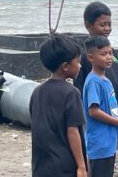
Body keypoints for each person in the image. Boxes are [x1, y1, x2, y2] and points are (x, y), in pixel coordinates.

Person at [30, 34, 87, 177]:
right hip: (65, 166)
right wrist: (81, 166)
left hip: (41, 167)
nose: (80, 66)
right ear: (66, 66)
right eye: (78, 61)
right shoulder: (71, 93)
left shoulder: (37, 92)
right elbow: (73, 131)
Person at [82, 35, 118, 177]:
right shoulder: (94, 81)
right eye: (103, 54)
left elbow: (110, 109)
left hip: (108, 142)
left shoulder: (105, 80)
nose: (108, 57)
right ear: (91, 57)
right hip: (100, 143)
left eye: (110, 53)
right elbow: (93, 111)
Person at [74, 2, 118, 136]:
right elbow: (80, 90)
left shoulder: (111, 52)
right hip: (101, 121)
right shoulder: (86, 56)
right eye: (102, 25)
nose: (107, 28)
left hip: (116, 117)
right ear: (89, 26)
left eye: (109, 24)